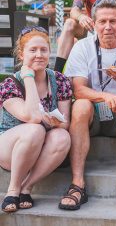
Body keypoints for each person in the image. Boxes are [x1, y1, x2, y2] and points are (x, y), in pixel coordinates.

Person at [59, 0, 116, 213]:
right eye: (102, 22)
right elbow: (78, 89)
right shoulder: (82, 47)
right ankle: (77, 184)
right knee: (80, 105)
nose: (108, 27)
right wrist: (105, 96)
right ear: (95, 23)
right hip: (92, 116)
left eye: (113, 21)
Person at [0, 26, 72, 213]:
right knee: (35, 128)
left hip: (44, 150)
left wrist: (55, 123)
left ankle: (27, 187)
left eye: (43, 50)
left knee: (63, 135)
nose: (39, 55)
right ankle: (13, 189)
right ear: (21, 55)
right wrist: (29, 77)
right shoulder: (10, 84)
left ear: (50, 53)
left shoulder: (60, 81)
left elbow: (65, 122)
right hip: (11, 149)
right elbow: (30, 117)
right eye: (33, 50)